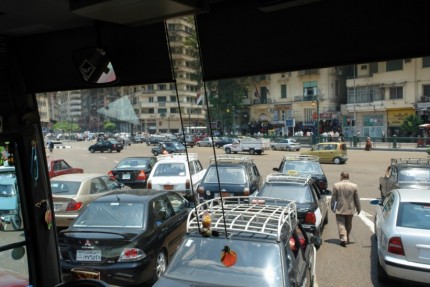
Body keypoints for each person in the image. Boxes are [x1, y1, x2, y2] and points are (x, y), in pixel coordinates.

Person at [331, 171, 361, 247]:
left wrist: (333, 207)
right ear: (348, 177)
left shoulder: (336, 185)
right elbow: (357, 199)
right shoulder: (354, 186)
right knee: (349, 224)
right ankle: (347, 236)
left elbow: (334, 198)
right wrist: (358, 208)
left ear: (341, 176)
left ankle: (343, 238)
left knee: (341, 224)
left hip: (340, 208)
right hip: (350, 209)